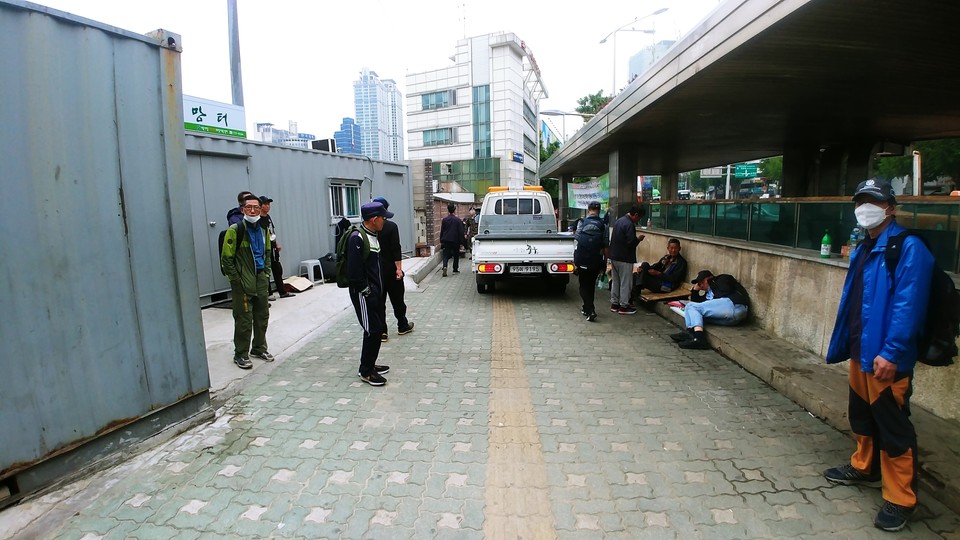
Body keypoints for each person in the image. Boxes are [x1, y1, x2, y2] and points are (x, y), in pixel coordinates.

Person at [823, 178, 933, 532]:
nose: (864, 208)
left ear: (891, 207)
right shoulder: (864, 247)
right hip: (860, 351)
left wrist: (892, 352)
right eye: (860, 201)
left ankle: (901, 499)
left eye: (873, 201)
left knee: (893, 426)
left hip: (886, 357)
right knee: (862, 415)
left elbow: (908, 305)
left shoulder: (908, 248)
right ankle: (864, 466)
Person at [220, 194, 274, 369]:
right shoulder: (236, 230)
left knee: (262, 315)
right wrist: (236, 280)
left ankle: (258, 348)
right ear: (242, 209)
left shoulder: (263, 229)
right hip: (243, 281)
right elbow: (226, 259)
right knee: (244, 319)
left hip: (260, 279)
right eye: (249, 207)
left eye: (256, 207)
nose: (253, 210)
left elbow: (266, 254)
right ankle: (241, 354)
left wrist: (266, 273)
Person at [347, 201, 393, 386]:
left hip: (374, 294)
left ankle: (370, 364)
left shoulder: (373, 235)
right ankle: (366, 371)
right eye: (383, 218)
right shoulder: (357, 238)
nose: (384, 221)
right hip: (364, 294)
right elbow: (354, 272)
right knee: (372, 330)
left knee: (377, 329)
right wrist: (367, 292)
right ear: (374, 219)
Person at [672, 270, 750, 350]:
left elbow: (726, 289)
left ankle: (699, 338)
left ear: (709, 278)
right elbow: (696, 304)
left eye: (701, 282)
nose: (701, 285)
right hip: (731, 319)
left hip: (735, 305)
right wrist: (695, 290)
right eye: (699, 283)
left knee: (692, 306)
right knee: (690, 307)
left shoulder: (721, 279)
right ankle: (691, 333)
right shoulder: (707, 295)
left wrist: (711, 282)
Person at [372, 197, 414, 341]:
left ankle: (382, 331)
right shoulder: (391, 226)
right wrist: (399, 269)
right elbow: (396, 248)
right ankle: (402, 325)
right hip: (390, 269)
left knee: (379, 302)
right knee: (397, 299)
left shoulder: (368, 228)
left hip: (376, 272)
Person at [574, 201, 607, 322]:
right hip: (596, 260)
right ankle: (586, 308)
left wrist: (575, 259)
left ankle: (590, 309)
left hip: (582, 259)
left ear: (588, 210)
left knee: (583, 286)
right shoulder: (604, 225)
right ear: (599, 210)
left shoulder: (581, 222)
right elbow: (605, 245)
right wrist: (605, 261)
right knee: (591, 286)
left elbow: (577, 240)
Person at [608, 206, 645, 315]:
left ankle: (614, 304)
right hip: (624, 258)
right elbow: (631, 243)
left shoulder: (619, 221)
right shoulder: (629, 224)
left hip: (614, 257)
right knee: (625, 282)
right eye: (639, 218)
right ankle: (624, 306)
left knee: (616, 281)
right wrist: (638, 239)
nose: (638, 221)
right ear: (636, 215)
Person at [259, 195, 294, 299]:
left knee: (277, 269)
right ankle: (268, 293)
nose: (268, 206)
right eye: (265, 204)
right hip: (264, 249)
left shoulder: (268, 217)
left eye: (268, 204)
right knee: (266, 270)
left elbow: (271, 231)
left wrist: (277, 243)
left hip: (273, 247)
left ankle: (282, 292)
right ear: (260, 206)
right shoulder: (258, 219)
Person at [440, 203, 465, 277]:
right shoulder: (458, 220)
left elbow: (442, 230)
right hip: (455, 240)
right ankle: (455, 269)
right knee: (456, 254)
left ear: (448, 210)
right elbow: (461, 232)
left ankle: (445, 266)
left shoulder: (445, 220)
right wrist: (462, 242)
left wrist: (441, 240)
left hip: (446, 239)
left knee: (446, 254)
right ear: (454, 210)